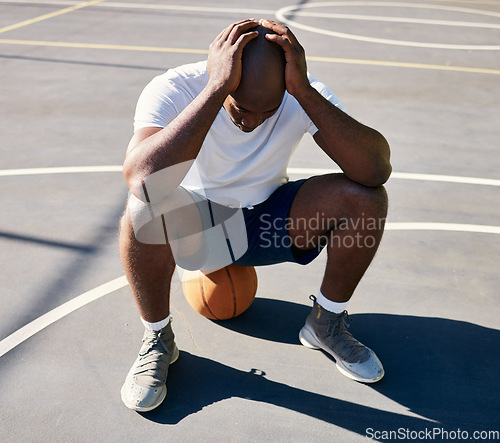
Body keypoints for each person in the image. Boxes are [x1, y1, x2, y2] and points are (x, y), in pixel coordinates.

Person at [119, 19, 392, 412]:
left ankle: (325, 323)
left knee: (364, 197)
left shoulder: (300, 90)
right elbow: (143, 180)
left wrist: (303, 92)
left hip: (267, 225)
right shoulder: (176, 87)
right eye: (241, 107)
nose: (251, 121)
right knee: (143, 207)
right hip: (197, 231)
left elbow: (374, 170)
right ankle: (158, 339)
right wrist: (216, 89)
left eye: (267, 111)